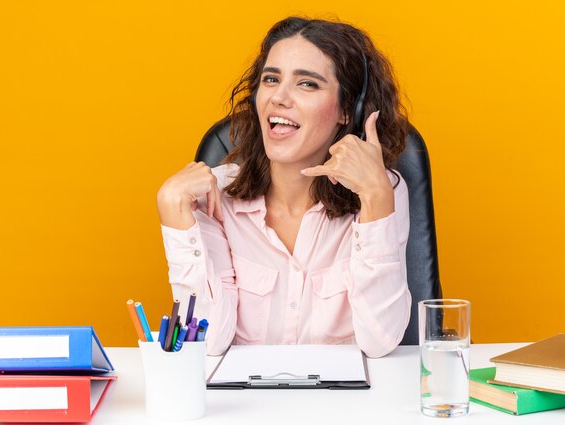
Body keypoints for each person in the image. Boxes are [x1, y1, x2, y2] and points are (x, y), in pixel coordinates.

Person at [157, 16, 411, 358]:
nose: (279, 97)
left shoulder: (383, 192)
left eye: (307, 84)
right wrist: (171, 209)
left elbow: (380, 342)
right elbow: (209, 340)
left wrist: (376, 197)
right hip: (247, 407)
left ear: (346, 110)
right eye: (271, 79)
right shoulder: (213, 196)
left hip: (347, 407)